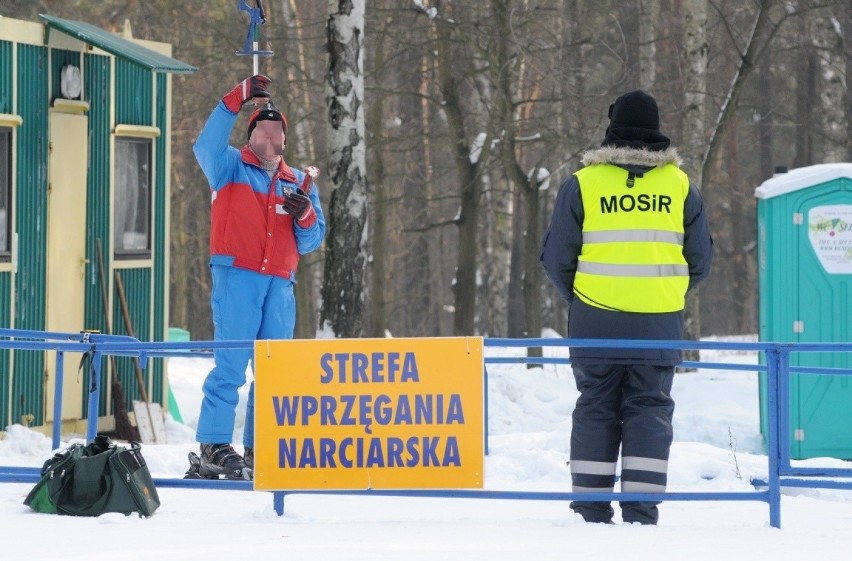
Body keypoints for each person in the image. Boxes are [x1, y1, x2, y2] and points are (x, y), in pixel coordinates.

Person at [540, 90, 713, 525]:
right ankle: (640, 510)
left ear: (611, 130)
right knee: (650, 408)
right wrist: (664, 293)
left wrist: (583, 300)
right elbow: (701, 261)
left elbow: (557, 257)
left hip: (595, 321)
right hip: (658, 323)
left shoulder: (582, 183)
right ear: (657, 132)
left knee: (596, 405)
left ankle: (590, 510)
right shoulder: (680, 187)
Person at [192, 75, 326, 478]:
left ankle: (261, 445)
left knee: (273, 370)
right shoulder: (227, 165)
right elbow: (205, 143)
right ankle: (215, 445)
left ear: (284, 137)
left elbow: (312, 240)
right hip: (238, 278)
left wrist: (304, 213)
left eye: (276, 130)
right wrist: (236, 98)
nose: (269, 136)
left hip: (280, 284)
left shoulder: (298, 181)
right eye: (262, 130)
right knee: (230, 365)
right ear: (250, 135)